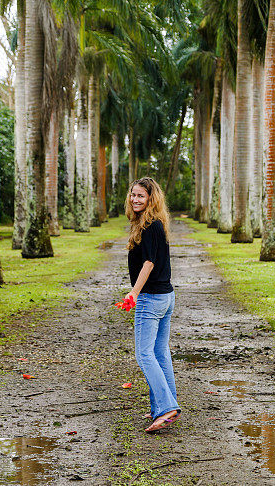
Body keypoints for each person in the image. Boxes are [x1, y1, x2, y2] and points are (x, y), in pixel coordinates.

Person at [123, 177, 181, 433]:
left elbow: (148, 263)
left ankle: (166, 406)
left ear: (151, 199)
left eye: (141, 196)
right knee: (160, 352)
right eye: (133, 195)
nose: (135, 199)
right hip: (166, 297)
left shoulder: (149, 226)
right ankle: (165, 406)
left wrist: (134, 293)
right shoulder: (154, 224)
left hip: (152, 298)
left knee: (144, 354)